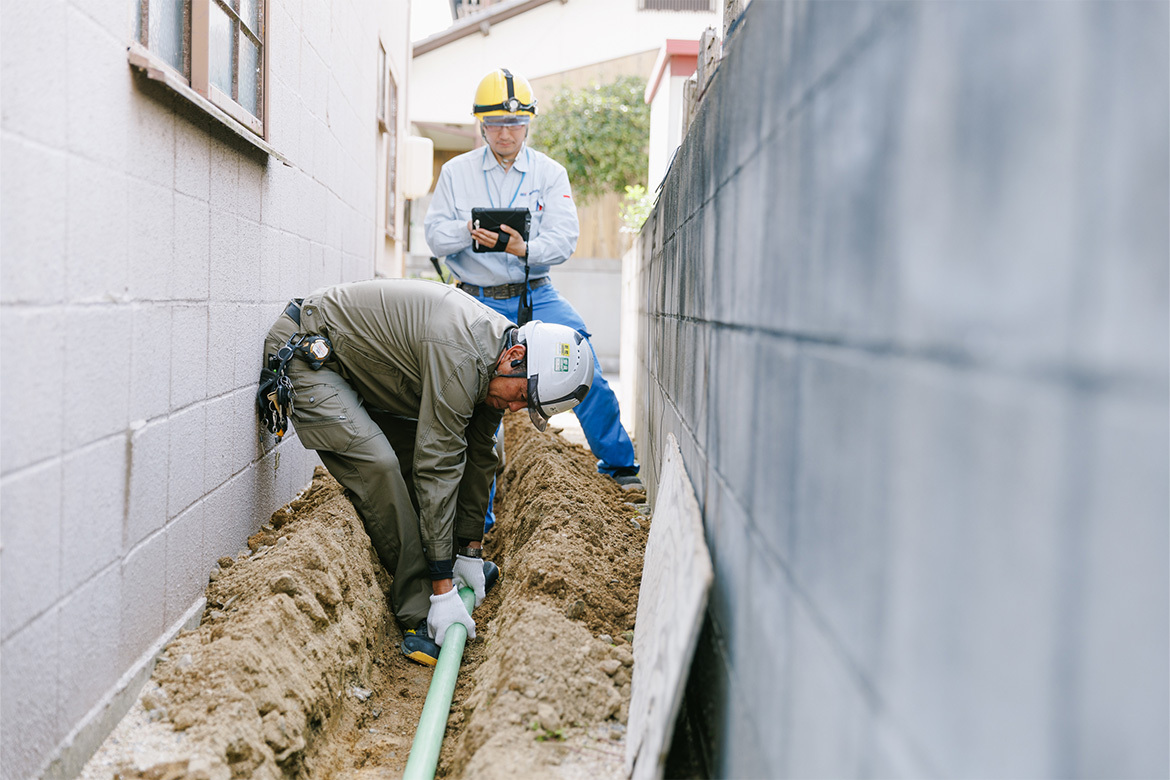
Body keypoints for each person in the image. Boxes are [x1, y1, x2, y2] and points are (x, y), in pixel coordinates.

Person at [258, 278, 594, 665]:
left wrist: (469, 549)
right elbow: (438, 465)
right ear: (515, 357)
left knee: (486, 445)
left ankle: (445, 561)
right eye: (521, 397)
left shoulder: (496, 353)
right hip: (309, 358)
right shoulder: (464, 357)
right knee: (380, 466)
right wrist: (443, 591)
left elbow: (480, 452)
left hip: (359, 371)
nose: (516, 409)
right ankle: (418, 606)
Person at [424, 67, 643, 497]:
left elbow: (564, 240)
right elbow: (434, 235)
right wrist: (471, 229)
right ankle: (471, 501)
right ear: (482, 124)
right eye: (497, 123)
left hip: (535, 293)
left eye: (516, 123)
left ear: (527, 123)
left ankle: (620, 467)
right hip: (476, 300)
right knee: (469, 390)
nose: (506, 133)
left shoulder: (549, 173)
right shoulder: (456, 173)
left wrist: (523, 249)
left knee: (584, 362)